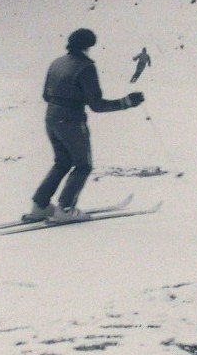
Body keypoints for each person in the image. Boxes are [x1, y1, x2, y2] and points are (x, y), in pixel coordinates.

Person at [25, 28, 145, 222]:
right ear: (89, 45)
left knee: (62, 162)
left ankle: (40, 205)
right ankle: (65, 209)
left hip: (51, 118)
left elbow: (46, 95)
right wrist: (127, 102)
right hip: (72, 121)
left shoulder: (57, 62)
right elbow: (96, 105)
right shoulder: (86, 67)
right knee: (83, 165)